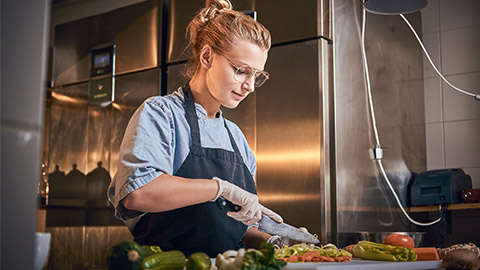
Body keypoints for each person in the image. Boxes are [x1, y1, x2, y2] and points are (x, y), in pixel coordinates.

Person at [108, 0, 284, 257]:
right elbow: (137, 194)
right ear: (207, 56)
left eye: (257, 76)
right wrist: (220, 188)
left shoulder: (236, 138)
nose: (249, 86)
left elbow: (233, 227)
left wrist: (276, 241)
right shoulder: (162, 114)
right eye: (242, 71)